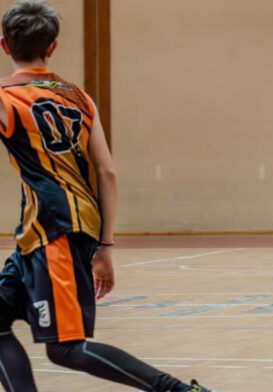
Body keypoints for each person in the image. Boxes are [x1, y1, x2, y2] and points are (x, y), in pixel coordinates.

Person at [0, 1, 212, 391]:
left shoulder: (7, 96)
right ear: (53, 47)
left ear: (4, 45)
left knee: (66, 349)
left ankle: (179, 390)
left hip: (53, 230)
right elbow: (107, 171)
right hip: (56, 228)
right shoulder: (80, 97)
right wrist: (106, 245)